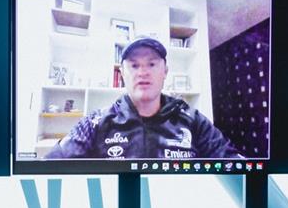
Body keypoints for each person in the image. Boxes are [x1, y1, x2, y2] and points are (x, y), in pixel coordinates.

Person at [46, 37, 241, 160]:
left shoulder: (193, 120)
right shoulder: (96, 122)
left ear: (165, 71)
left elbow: (236, 167)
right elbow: (50, 168)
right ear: (122, 73)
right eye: (134, 65)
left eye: (151, 64)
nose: (143, 72)